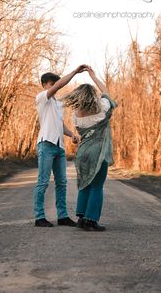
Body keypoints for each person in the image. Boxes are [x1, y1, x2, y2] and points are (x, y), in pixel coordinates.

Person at [61, 66, 118, 231]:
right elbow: (106, 92)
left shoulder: (76, 115)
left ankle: (81, 218)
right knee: (97, 186)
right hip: (98, 152)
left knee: (84, 184)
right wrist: (93, 76)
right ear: (93, 96)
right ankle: (91, 220)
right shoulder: (103, 109)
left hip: (83, 152)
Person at [34, 64, 88, 227]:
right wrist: (74, 72)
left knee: (62, 183)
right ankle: (39, 217)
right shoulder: (42, 97)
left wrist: (72, 134)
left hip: (59, 147)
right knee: (43, 182)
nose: (54, 87)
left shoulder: (57, 105)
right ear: (45, 85)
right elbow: (60, 85)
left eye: (54, 84)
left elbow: (60, 125)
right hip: (46, 144)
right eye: (52, 84)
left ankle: (62, 216)